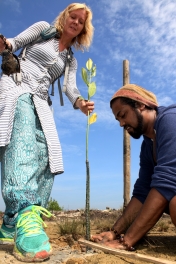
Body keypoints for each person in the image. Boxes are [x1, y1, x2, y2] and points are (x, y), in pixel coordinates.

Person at [0, 3, 94, 262]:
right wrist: (4, 45)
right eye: (72, 17)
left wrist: (80, 103)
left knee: (46, 155)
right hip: (17, 87)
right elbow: (15, 42)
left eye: (80, 21)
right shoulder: (42, 29)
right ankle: (24, 213)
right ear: (64, 18)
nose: (75, 22)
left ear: (83, 29)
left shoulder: (70, 60)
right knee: (22, 141)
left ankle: (10, 222)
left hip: (41, 101)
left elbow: (69, 89)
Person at [91, 84, 176, 251]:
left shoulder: (171, 120)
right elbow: (143, 191)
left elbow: (166, 182)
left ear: (140, 104)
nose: (122, 124)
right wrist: (114, 232)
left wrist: (127, 240)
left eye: (123, 115)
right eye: (118, 120)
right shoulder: (148, 145)